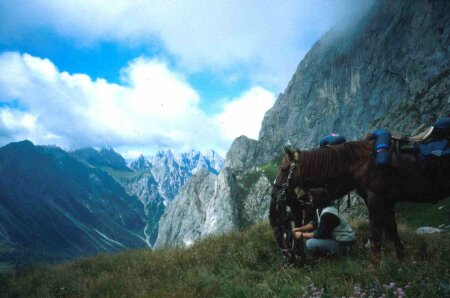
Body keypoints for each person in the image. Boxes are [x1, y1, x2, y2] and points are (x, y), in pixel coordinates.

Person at [292, 189, 356, 258]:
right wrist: (300, 229)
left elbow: (320, 234)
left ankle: (310, 262)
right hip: (338, 239)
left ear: (318, 199)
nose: (310, 201)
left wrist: (301, 235)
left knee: (309, 243)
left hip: (344, 244)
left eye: (311, 198)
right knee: (309, 236)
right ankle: (324, 255)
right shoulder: (321, 209)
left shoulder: (327, 214)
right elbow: (314, 224)